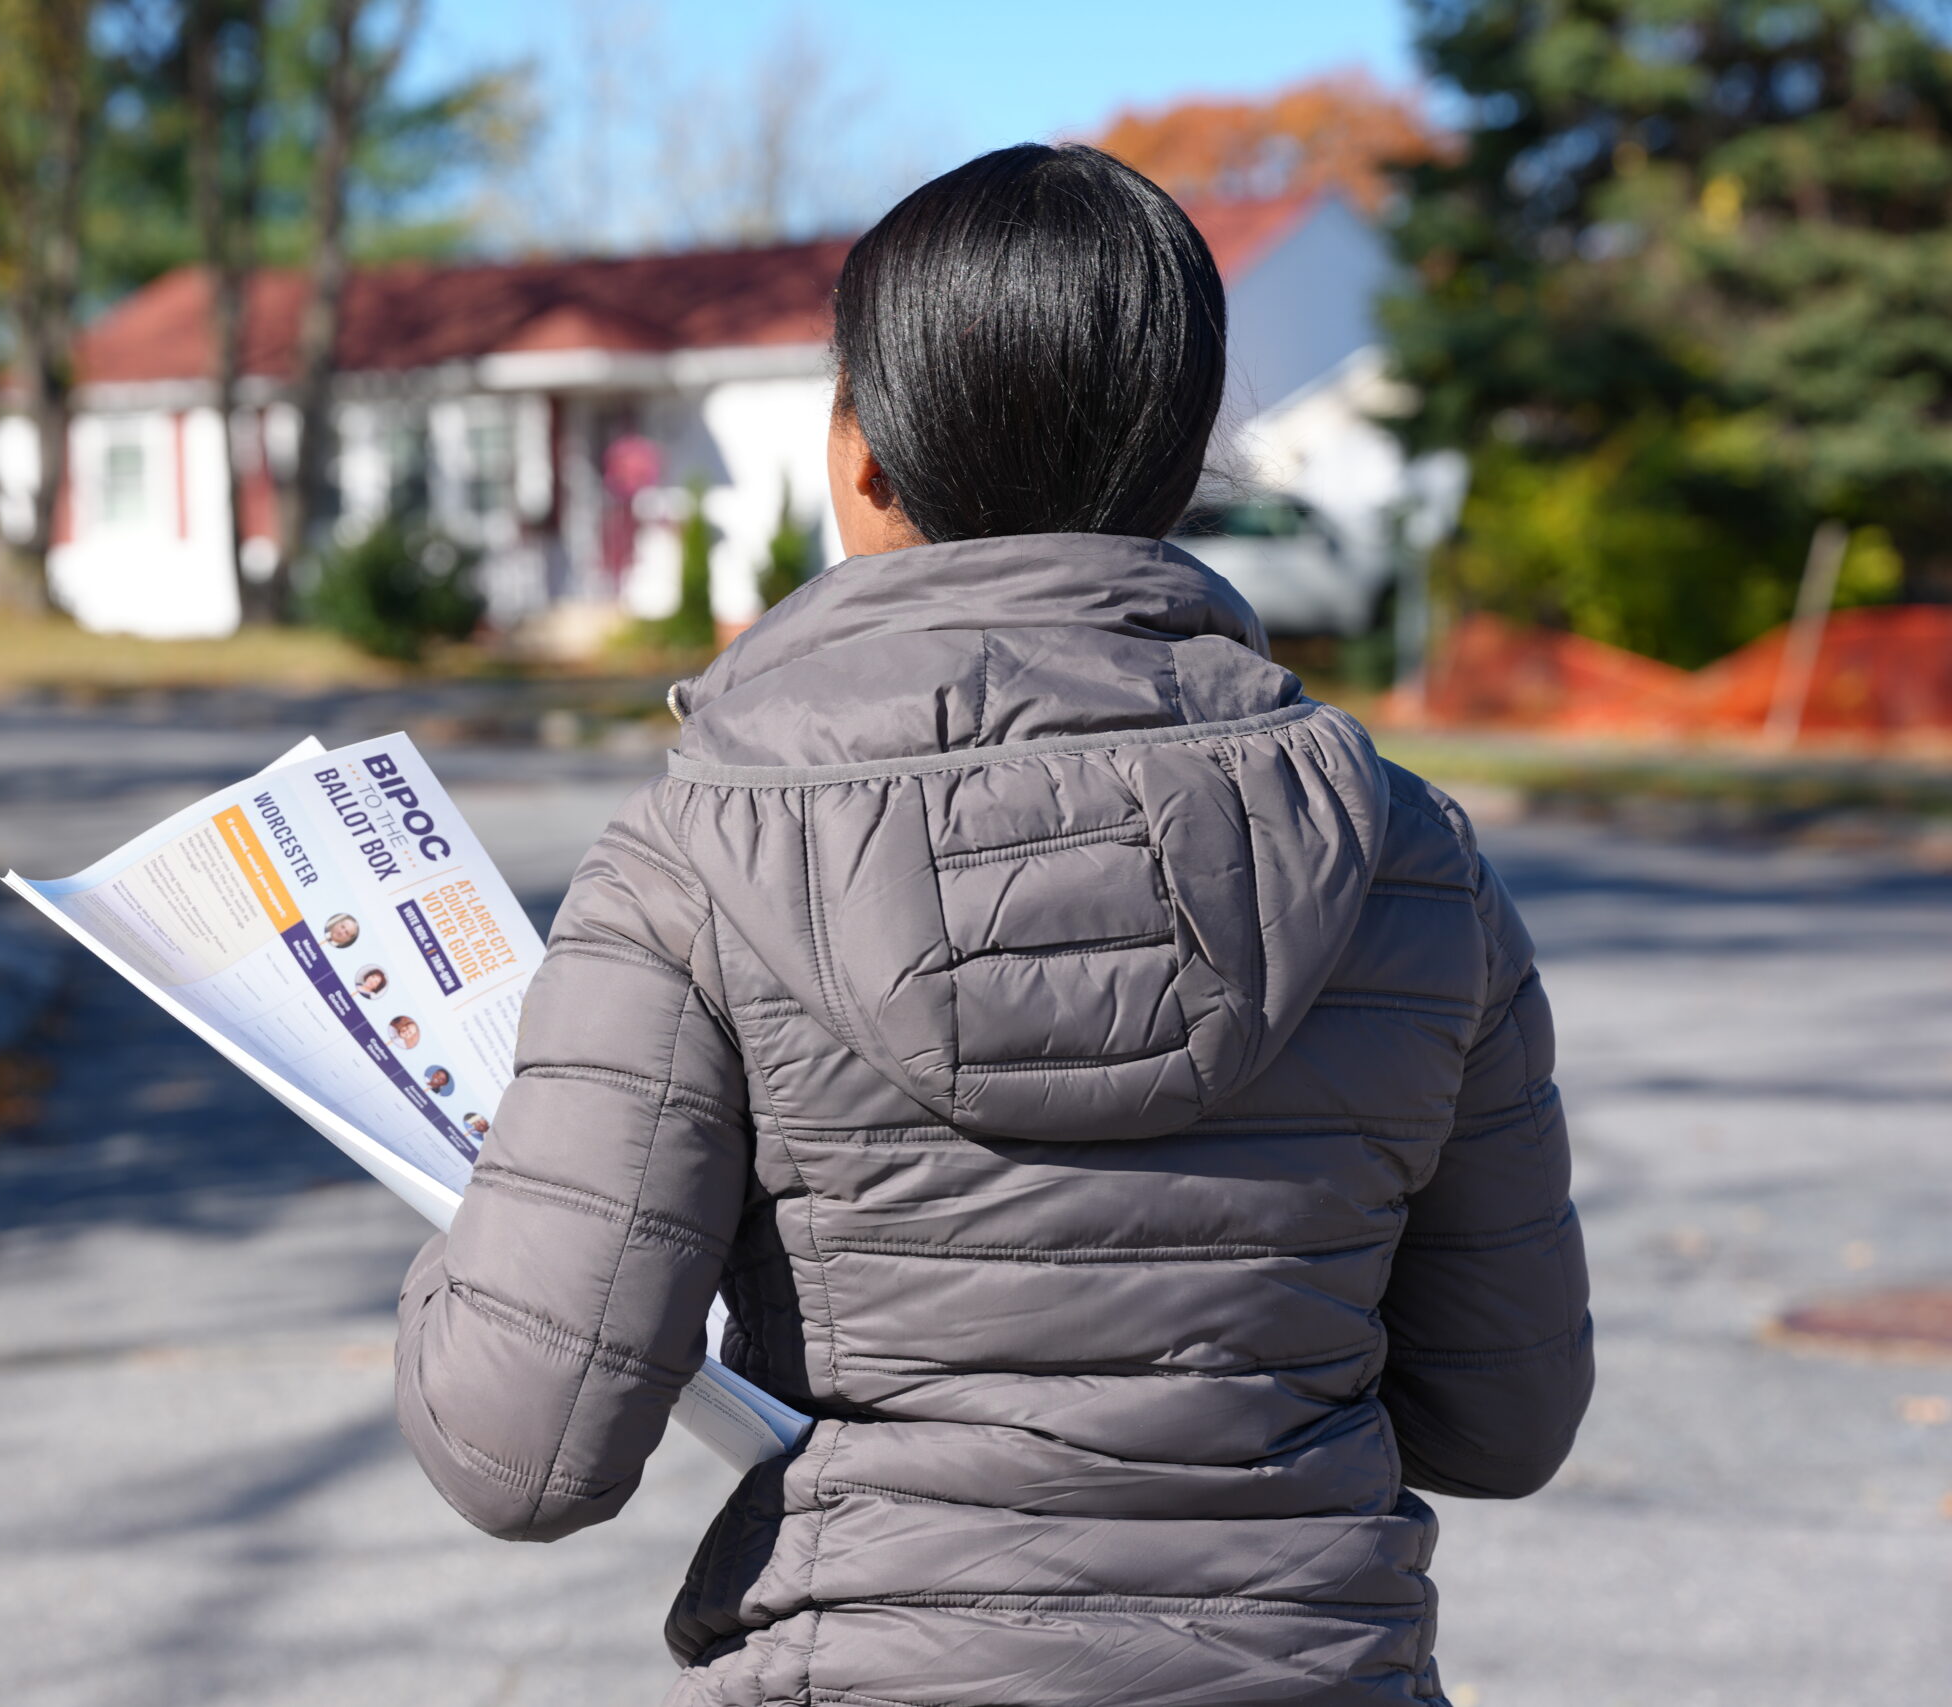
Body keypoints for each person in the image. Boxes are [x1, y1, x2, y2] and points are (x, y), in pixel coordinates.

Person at [394, 144, 1592, 1707]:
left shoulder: (689, 862)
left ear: (862, 458)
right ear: (1182, 462)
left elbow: (524, 1451)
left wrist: (476, 1234)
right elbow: (1503, 1421)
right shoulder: (1411, 859)